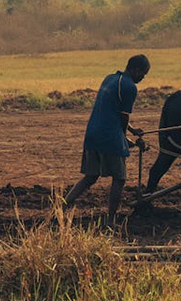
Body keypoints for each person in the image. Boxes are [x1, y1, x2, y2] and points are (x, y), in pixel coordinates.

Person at [64, 54, 150, 223]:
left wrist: (132, 132)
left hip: (92, 133)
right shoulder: (129, 87)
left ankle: (63, 205)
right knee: (120, 178)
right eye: (143, 73)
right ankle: (111, 219)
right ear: (135, 70)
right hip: (108, 136)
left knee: (91, 176)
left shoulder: (110, 78)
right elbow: (123, 118)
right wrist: (126, 139)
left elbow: (113, 111)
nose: (143, 78)